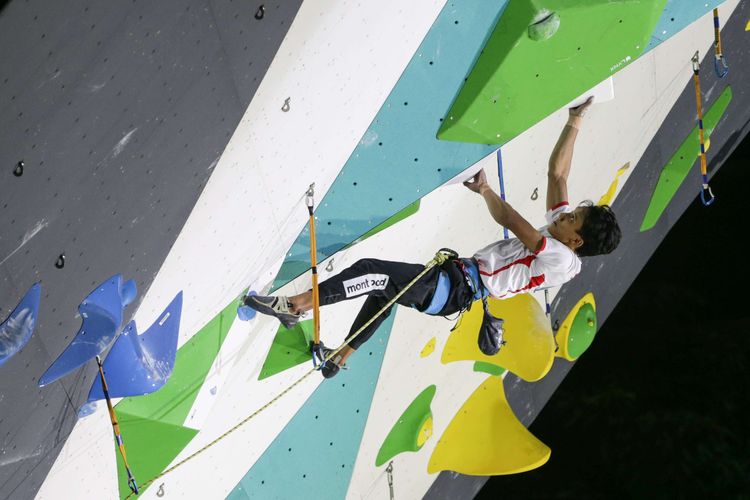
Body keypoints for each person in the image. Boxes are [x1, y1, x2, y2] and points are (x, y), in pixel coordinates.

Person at [244, 97, 621, 378]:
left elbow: (511, 218)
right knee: (383, 290)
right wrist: (575, 120)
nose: (566, 214)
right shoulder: (563, 232)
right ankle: (340, 358)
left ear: (577, 241)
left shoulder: (562, 260)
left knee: (371, 270)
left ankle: (294, 307)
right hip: (458, 280)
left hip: (456, 288)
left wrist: (485, 189)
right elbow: (558, 175)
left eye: (574, 219)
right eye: (573, 211)